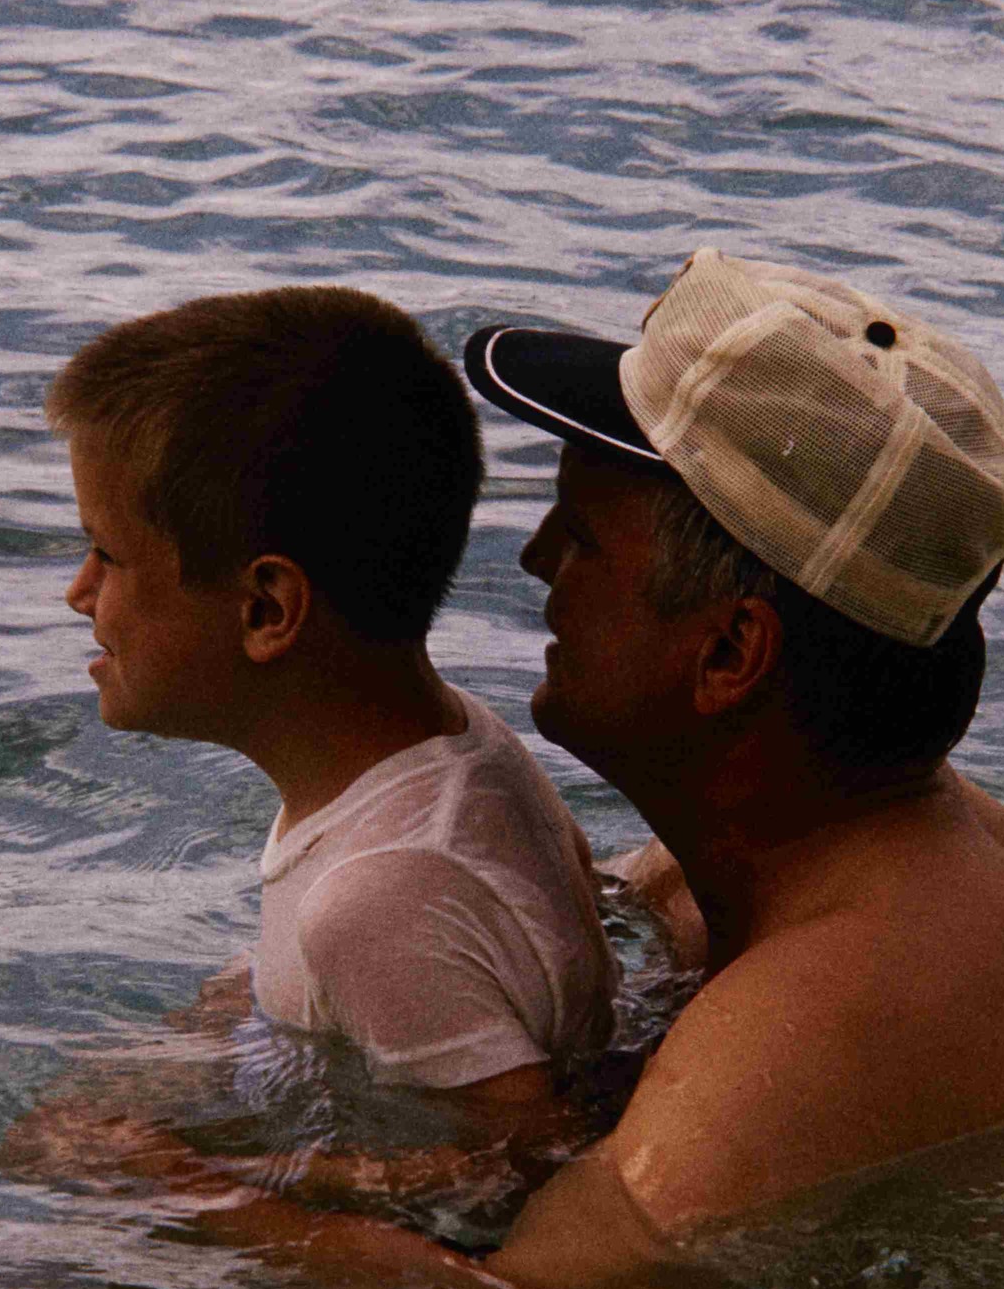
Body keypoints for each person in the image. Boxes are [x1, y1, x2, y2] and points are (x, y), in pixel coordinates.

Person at [168, 248, 1004, 1289]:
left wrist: (154, 1186)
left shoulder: (797, 1028)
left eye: (583, 538)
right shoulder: (813, 858)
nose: (535, 558)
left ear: (728, 653)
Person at [40, 285, 613, 1149]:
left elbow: (518, 1158)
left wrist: (168, 1172)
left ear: (267, 609)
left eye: (106, 554)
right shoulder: (452, 750)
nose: (78, 592)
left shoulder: (381, 895)